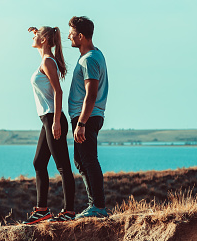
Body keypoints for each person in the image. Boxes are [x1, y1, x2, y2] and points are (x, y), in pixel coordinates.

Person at [21, 26, 76, 225]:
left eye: (37, 36)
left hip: (54, 119)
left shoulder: (47, 61)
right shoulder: (45, 59)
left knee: (63, 166)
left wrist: (55, 123)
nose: (33, 37)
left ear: (44, 40)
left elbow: (58, 92)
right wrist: (39, 32)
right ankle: (42, 210)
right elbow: (42, 46)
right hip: (47, 119)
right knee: (38, 162)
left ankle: (69, 211)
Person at [67, 16, 109, 219]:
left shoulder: (90, 59)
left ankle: (98, 207)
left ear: (81, 36)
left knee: (88, 160)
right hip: (88, 116)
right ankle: (95, 205)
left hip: (87, 117)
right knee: (82, 160)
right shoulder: (94, 55)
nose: (69, 36)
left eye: (72, 33)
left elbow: (91, 94)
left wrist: (81, 122)